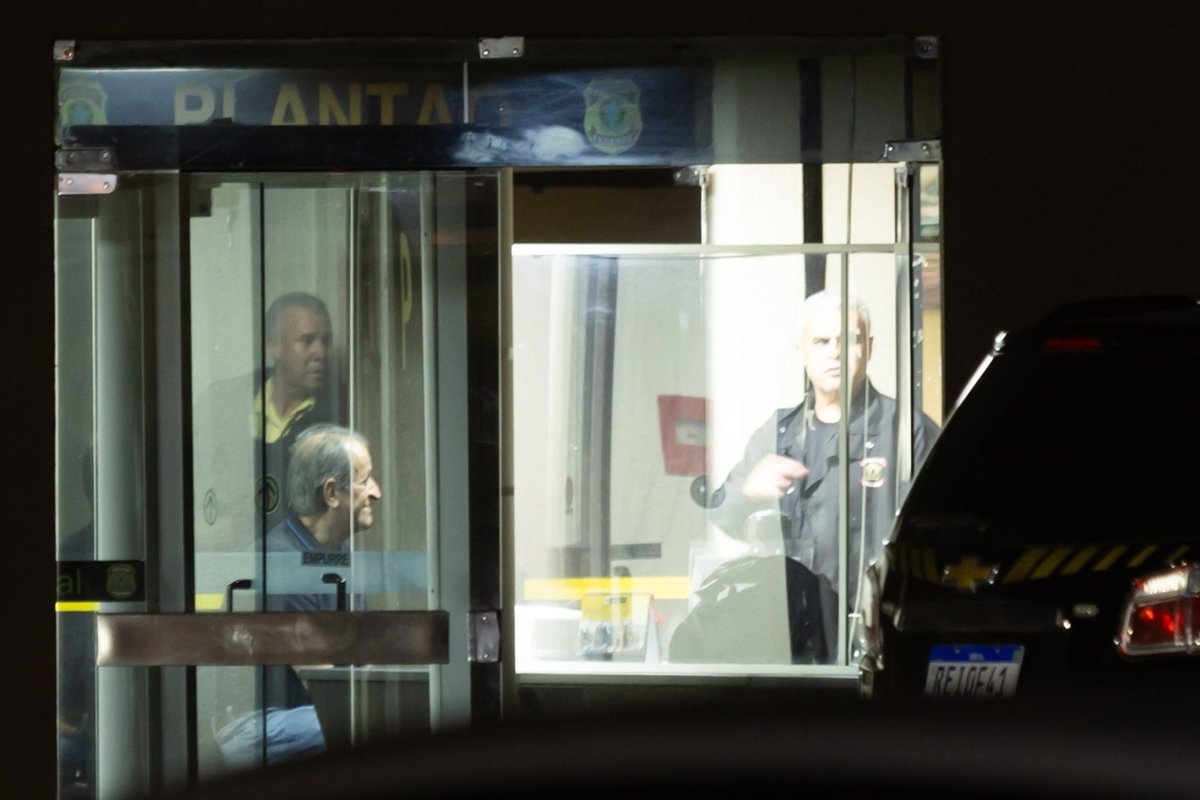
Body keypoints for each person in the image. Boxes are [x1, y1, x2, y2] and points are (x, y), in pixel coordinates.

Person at [707, 289, 940, 618]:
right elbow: (723, 515)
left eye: (850, 340)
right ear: (801, 351)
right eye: (821, 342)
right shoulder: (780, 433)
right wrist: (747, 492)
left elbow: (938, 533)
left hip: (876, 619)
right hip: (794, 624)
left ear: (869, 348)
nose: (836, 353)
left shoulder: (905, 431)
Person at [214, 425, 382, 768]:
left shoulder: (339, 553)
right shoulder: (282, 563)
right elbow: (322, 685)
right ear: (332, 493)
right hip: (255, 725)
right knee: (359, 727)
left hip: (306, 715)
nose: (376, 492)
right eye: (366, 480)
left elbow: (365, 655)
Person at [194, 291, 342, 551]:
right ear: (273, 346)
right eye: (307, 341)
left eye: (326, 341)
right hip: (217, 562)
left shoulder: (338, 414)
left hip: (297, 568)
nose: (320, 352)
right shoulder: (223, 402)